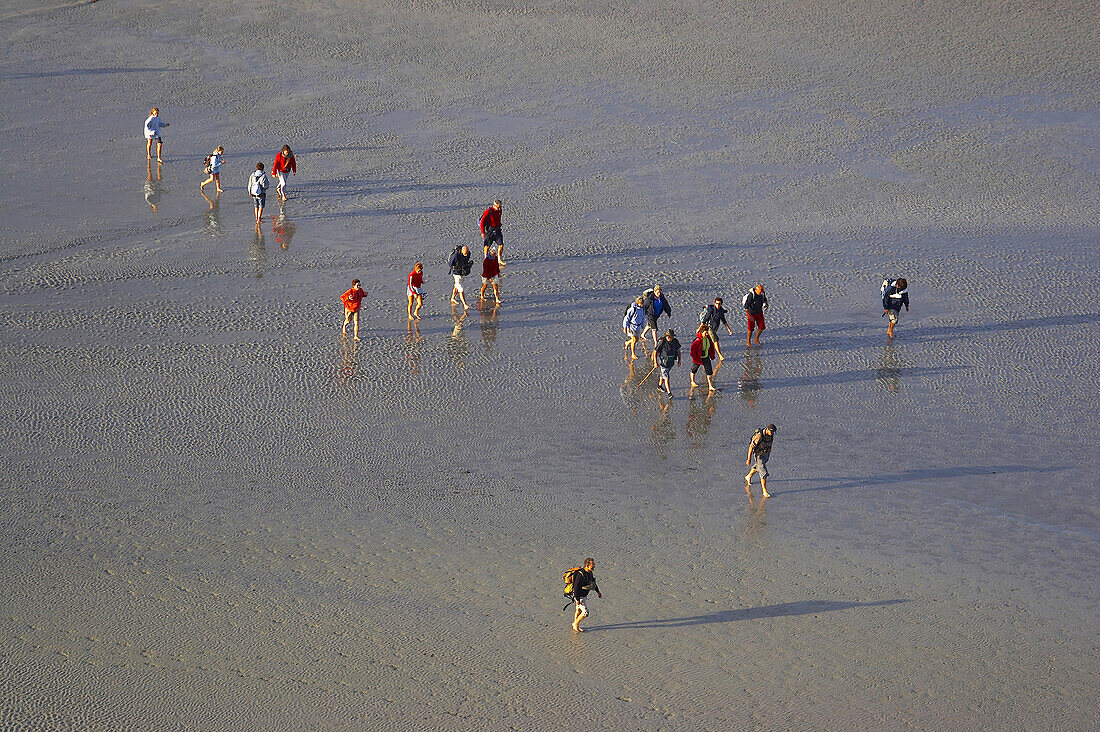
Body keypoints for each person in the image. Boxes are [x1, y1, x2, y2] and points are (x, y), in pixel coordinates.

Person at [567, 558, 602, 633]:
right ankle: (575, 624)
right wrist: (578, 600)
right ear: (587, 565)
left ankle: (575, 626)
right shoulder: (580, 574)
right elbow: (576, 588)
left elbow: (593, 583)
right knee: (585, 612)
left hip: (584, 595)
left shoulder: (590, 573)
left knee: (578, 610)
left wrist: (598, 592)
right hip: (579, 596)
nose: (594, 566)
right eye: (593, 565)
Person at [745, 424, 776, 499]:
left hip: (765, 454)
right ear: (768, 430)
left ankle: (748, 476)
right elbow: (751, 447)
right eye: (772, 432)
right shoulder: (759, 436)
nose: (773, 434)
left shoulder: (771, 435)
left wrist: (769, 453)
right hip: (758, 454)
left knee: (759, 466)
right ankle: (764, 491)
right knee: (763, 472)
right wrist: (748, 459)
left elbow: (770, 444)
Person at [653, 328, 682, 397]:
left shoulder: (675, 341)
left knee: (664, 374)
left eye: (670, 336)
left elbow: (678, 351)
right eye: (667, 336)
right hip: (663, 363)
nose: (669, 337)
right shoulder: (662, 342)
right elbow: (655, 351)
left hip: (671, 362)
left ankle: (659, 386)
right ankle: (669, 393)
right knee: (666, 377)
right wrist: (655, 362)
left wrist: (679, 360)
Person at [689, 324, 717, 392]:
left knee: (709, 371)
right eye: (705, 332)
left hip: (706, 357)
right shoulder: (697, 340)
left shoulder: (708, 338)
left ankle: (710, 385)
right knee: (694, 369)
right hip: (698, 357)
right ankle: (692, 381)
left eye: (707, 332)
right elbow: (692, 351)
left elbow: (711, 347)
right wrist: (695, 358)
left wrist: (712, 355)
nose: (707, 333)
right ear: (701, 332)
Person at [449, 244, 473, 310]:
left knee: (456, 286)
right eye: (465, 253)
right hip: (456, 274)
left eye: (467, 253)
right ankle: (465, 304)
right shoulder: (456, 255)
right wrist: (457, 267)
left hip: (462, 273)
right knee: (461, 288)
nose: (466, 254)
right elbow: (450, 264)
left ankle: (452, 298)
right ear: (462, 251)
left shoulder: (468, 253)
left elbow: (466, 261)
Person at [480, 200, 505, 265]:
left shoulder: (500, 210)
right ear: (494, 205)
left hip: (497, 230)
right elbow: (482, 222)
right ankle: (485, 258)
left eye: (500, 207)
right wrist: (483, 232)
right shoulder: (488, 211)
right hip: (489, 231)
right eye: (498, 207)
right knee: (487, 246)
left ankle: (499, 259)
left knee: (501, 245)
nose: (499, 208)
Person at [622, 296, 646, 360]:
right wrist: (625, 327)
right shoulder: (633, 309)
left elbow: (643, 317)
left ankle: (627, 342)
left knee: (636, 339)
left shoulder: (642, 309)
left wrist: (643, 325)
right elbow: (626, 318)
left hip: (638, 327)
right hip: (631, 326)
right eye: (641, 304)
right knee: (634, 340)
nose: (641, 305)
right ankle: (633, 354)